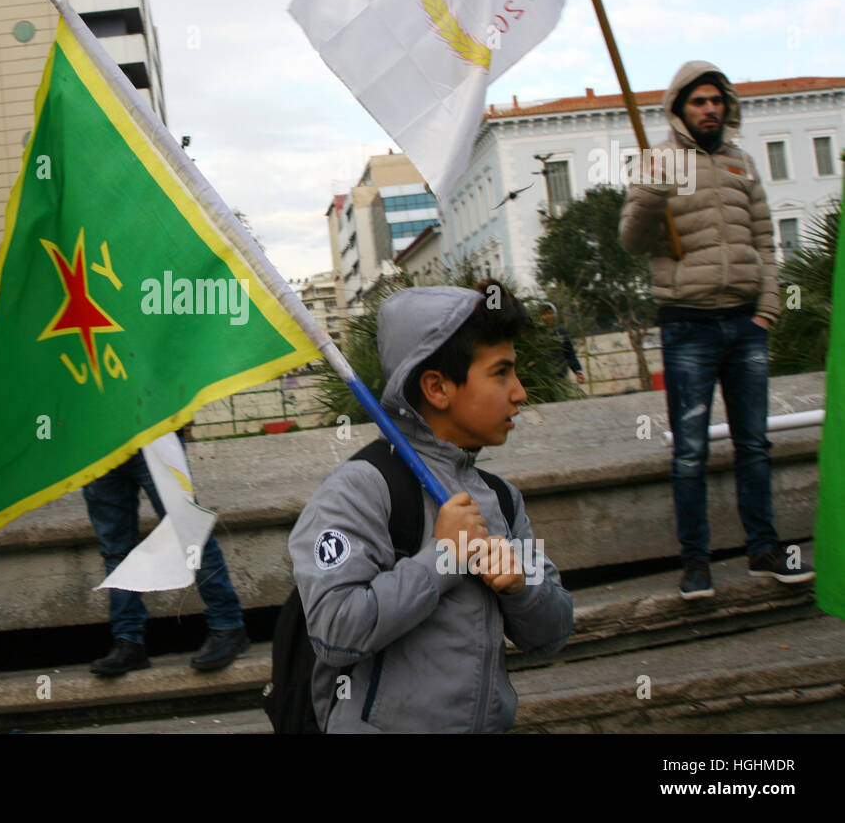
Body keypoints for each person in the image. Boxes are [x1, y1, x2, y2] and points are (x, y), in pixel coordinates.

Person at [289, 283, 572, 732]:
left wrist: (522, 587)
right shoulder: (362, 489)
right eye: (501, 373)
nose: (519, 392)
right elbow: (334, 631)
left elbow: (552, 634)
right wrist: (443, 558)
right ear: (437, 388)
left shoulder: (500, 498)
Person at [619, 61, 815, 599]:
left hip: (745, 324)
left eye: (716, 100)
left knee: (755, 444)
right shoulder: (659, 162)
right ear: (679, 109)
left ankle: (764, 551)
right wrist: (653, 195)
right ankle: (696, 563)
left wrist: (767, 308)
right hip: (688, 329)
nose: (709, 109)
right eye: (698, 101)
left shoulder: (741, 164)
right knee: (689, 452)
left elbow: (765, 240)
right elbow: (632, 240)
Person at [83, 440, 250, 676]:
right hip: (97, 446)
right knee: (115, 548)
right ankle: (128, 641)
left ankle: (228, 626)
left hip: (152, 436)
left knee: (190, 533)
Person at [538, 302, 584, 384]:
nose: (548, 316)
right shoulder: (537, 333)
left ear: (555, 315)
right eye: (544, 314)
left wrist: (578, 371)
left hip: (560, 378)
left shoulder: (561, 333)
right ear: (540, 316)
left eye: (550, 313)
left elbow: (570, 354)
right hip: (541, 379)